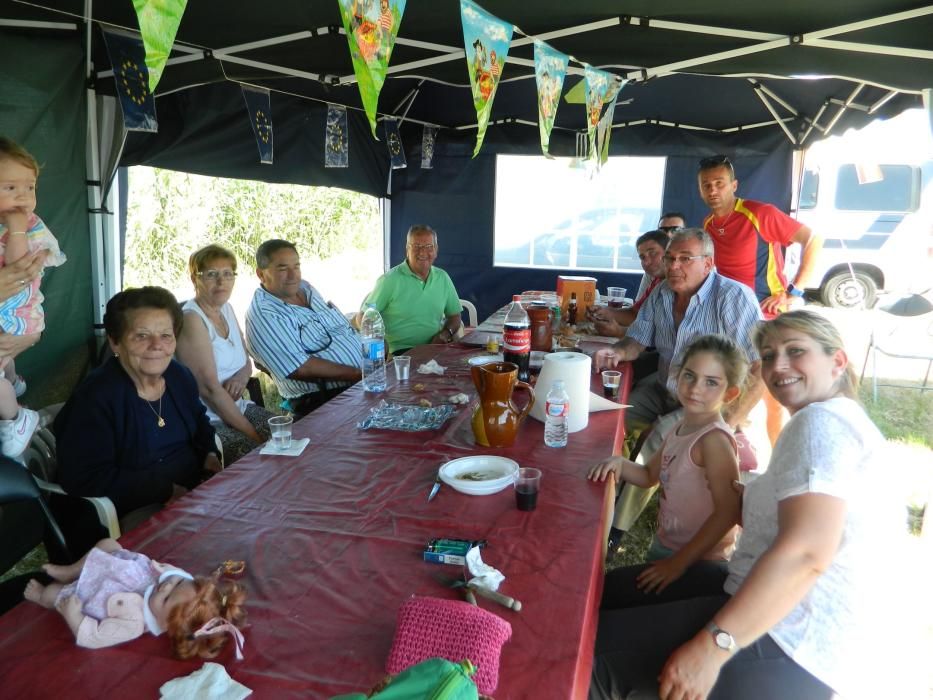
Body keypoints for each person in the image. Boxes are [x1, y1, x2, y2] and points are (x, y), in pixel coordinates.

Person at [589, 310, 906, 700]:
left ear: (837, 361)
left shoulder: (821, 424)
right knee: (600, 595)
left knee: (588, 653)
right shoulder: (829, 421)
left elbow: (807, 553)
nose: (779, 366)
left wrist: (712, 647)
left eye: (795, 351)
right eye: (769, 355)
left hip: (790, 638)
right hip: (753, 594)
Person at [594, 229, 763, 554]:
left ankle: (616, 527)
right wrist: (617, 352)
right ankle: (599, 483)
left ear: (708, 263)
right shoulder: (661, 294)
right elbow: (636, 341)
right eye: (671, 258)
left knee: (660, 436)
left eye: (686, 259)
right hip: (663, 388)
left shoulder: (733, 298)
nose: (674, 266)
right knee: (609, 412)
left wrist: (727, 420)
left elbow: (758, 368)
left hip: (705, 405)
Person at [589, 335, 745, 607]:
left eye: (711, 382)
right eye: (689, 376)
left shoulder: (714, 441)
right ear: (677, 375)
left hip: (701, 559)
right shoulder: (680, 426)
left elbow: (728, 512)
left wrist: (677, 564)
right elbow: (649, 476)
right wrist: (619, 464)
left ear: (729, 393)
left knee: (621, 605)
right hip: (667, 545)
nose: (695, 388)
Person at [55, 287, 222, 521]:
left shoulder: (178, 375)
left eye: (166, 335)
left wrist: (210, 453)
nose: (156, 345)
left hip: (193, 495)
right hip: (128, 512)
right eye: (141, 336)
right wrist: (166, 491)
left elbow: (200, 422)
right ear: (115, 342)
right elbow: (85, 476)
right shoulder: (95, 398)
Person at [699, 154, 824, 445]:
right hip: (726, 318)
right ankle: (728, 447)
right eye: (706, 185)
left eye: (719, 183)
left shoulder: (759, 213)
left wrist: (794, 290)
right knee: (731, 389)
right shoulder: (707, 224)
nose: (713, 190)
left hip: (763, 316)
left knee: (774, 396)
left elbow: (814, 238)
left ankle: (778, 462)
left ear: (734, 185)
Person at [23, 538, 246, 658]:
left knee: (54, 594)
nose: (166, 586)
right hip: (105, 568)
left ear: (166, 624)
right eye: (178, 582)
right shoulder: (173, 585)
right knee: (109, 544)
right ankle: (72, 570)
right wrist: (174, 576)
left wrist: (74, 616)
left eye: (166, 598)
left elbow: (95, 637)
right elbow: (176, 575)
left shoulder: (133, 623)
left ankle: (41, 596)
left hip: (85, 596)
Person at [176, 244, 274, 463]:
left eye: (227, 274)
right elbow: (210, 390)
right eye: (211, 274)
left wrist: (241, 377)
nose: (221, 282)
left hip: (238, 409)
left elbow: (245, 359)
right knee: (260, 458)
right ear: (195, 279)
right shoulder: (192, 319)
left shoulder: (226, 308)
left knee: (295, 434)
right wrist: (255, 436)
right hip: (209, 422)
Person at [0, 138, 67, 456]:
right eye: (10, 188)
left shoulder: (29, 226)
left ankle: (14, 415)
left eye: (29, 187)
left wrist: (15, 228)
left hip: (19, 313)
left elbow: (17, 269)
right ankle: (13, 401)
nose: (23, 197)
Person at [245, 239, 363, 417]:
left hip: (362, 380)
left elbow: (338, 329)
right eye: (282, 268)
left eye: (296, 266)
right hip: (325, 400)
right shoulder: (265, 314)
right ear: (261, 274)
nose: (293, 276)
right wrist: (358, 374)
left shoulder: (305, 288)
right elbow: (301, 368)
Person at [358, 225, 462, 355]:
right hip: (400, 354)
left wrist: (446, 333)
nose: (423, 252)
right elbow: (363, 316)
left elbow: (455, 316)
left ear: (436, 250)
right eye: (416, 246)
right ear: (407, 249)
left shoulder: (443, 277)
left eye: (429, 247)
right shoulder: (389, 280)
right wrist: (379, 342)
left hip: (435, 348)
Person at [588, 229, 669, 337]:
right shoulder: (657, 282)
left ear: (669, 252)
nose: (646, 262)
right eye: (642, 257)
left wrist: (620, 332)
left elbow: (664, 336)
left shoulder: (679, 287)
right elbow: (635, 314)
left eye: (652, 253)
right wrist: (605, 312)